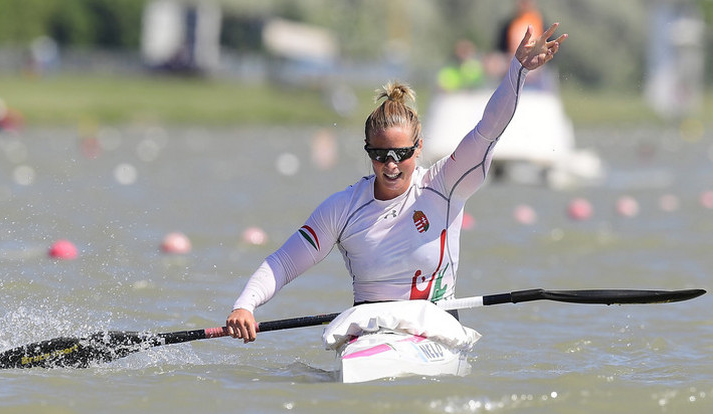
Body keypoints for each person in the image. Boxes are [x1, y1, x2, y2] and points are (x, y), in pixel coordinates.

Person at [226, 23, 567, 343]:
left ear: (419, 147)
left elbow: (488, 128)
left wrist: (517, 71)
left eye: (401, 153)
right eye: (379, 153)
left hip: (435, 329)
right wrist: (245, 305)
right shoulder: (341, 209)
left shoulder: (444, 185)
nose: (390, 165)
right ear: (367, 150)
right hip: (369, 332)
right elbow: (283, 262)